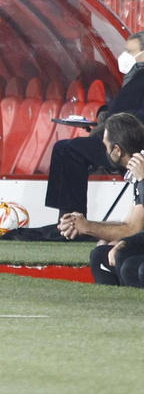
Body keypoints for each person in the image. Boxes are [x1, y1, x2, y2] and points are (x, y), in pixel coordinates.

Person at [46, 32, 144, 216]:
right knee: (64, 148)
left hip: (129, 144)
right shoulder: (135, 76)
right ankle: (66, 218)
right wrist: (104, 116)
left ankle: (71, 218)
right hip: (115, 137)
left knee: (69, 150)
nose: (124, 56)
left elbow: (135, 114)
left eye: (129, 51)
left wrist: (113, 122)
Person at [58, 114, 144, 285]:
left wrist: (87, 227)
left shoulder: (141, 171)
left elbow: (133, 229)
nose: (105, 151)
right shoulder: (137, 168)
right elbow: (129, 224)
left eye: (107, 146)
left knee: (127, 263)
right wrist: (88, 226)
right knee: (100, 255)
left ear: (117, 150)